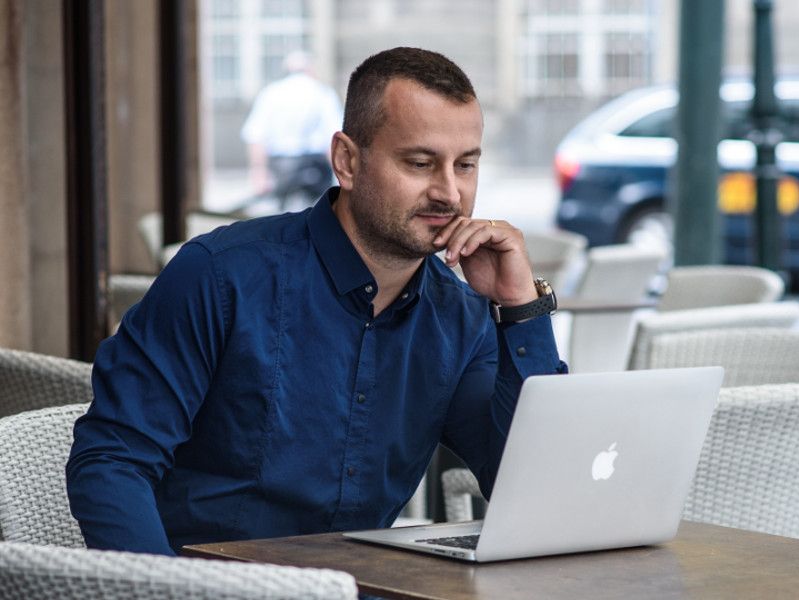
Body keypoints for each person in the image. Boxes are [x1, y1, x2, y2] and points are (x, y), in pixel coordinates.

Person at [66, 47, 566, 556]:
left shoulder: (462, 316)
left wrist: (520, 307)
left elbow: (530, 487)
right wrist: (164, 591)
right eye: (419, 163)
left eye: (465, 165)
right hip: (214, 588)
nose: (449, 193)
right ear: (347, 161)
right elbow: (113, 462)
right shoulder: (221, 276)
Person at [240, 50, 343, 211]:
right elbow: (333, 138)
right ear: (310, 69)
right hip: (315, 167)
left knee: (280, 218)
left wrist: (259, 172)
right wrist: (340, 176)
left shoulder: (270, 93)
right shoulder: (322, 93)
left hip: (281, 167)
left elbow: (255, 136)